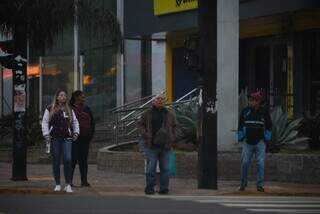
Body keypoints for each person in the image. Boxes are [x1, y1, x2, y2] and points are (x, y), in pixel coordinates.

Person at [137, 94, 177, 195]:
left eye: (162, 99)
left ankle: (164, 188)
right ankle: (150, 188)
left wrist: (173, 137)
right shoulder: (147, 113)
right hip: (151, 146)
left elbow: (176, 126)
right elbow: (140, 124)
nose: (160, 100)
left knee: (165, 169)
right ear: (153, 101)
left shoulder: (169, 113)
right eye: (157, 99)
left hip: (165, 146)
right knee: (151, 168)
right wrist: (146, 134)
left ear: (164, 102)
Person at [41, 89, 79, 193]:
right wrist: (46, 134)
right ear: (57, 97)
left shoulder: (69, 109)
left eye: (64, 95)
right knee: (56, 161)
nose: (63, 97)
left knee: (68, 159)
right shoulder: (50, 108)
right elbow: (44, 122)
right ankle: (57, 184)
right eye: (61, 95)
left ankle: (68, 184)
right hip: (55, 139)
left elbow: (75, 122)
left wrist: (76, 132)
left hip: (67, 138)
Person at [238, 91, 272, 192]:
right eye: (250, 100)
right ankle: (243, 183)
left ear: (258, 102)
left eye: (252, 100)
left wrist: (266, 138)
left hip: (260, 142)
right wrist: (241, 137)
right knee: (244, 163)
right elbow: (240, 125)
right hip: (247, 142)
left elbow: (269, 125)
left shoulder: (264, 111)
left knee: (260, 163)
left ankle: (260, 185)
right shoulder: (245, 111)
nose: (250, 102)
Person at [69, 90, 95, 187]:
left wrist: (90, 135)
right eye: (82, 97)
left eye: (84, 97)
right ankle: (69, 181)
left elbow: (92, 123)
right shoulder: (70, 109)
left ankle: (84, 181)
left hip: (85, 138)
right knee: (72, 160)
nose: (84, 99)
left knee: (83, 161)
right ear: (76, 98)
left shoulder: (87, 109)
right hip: (73, 139)